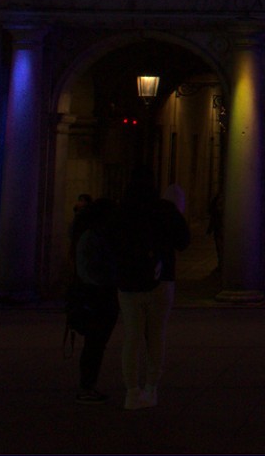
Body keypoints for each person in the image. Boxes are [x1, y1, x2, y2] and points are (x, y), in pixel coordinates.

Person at [109, 167, 189, 410]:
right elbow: (183, 242)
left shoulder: (120, 212)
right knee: (156, 337)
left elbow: (111, 245)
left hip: (128, 284)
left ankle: (131, 392)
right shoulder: (164, 210)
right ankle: (151, 389)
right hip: (161, 281)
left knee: (131, 338)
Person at [66, 195, 120, 403]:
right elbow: (89, 271)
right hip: (96, 296)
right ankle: (86, 386)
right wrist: (113, 278)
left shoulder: (96, 235)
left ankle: (89, 385)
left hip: (99, 295)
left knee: (96, 344)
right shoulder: (92, 237)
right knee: (94, 344)